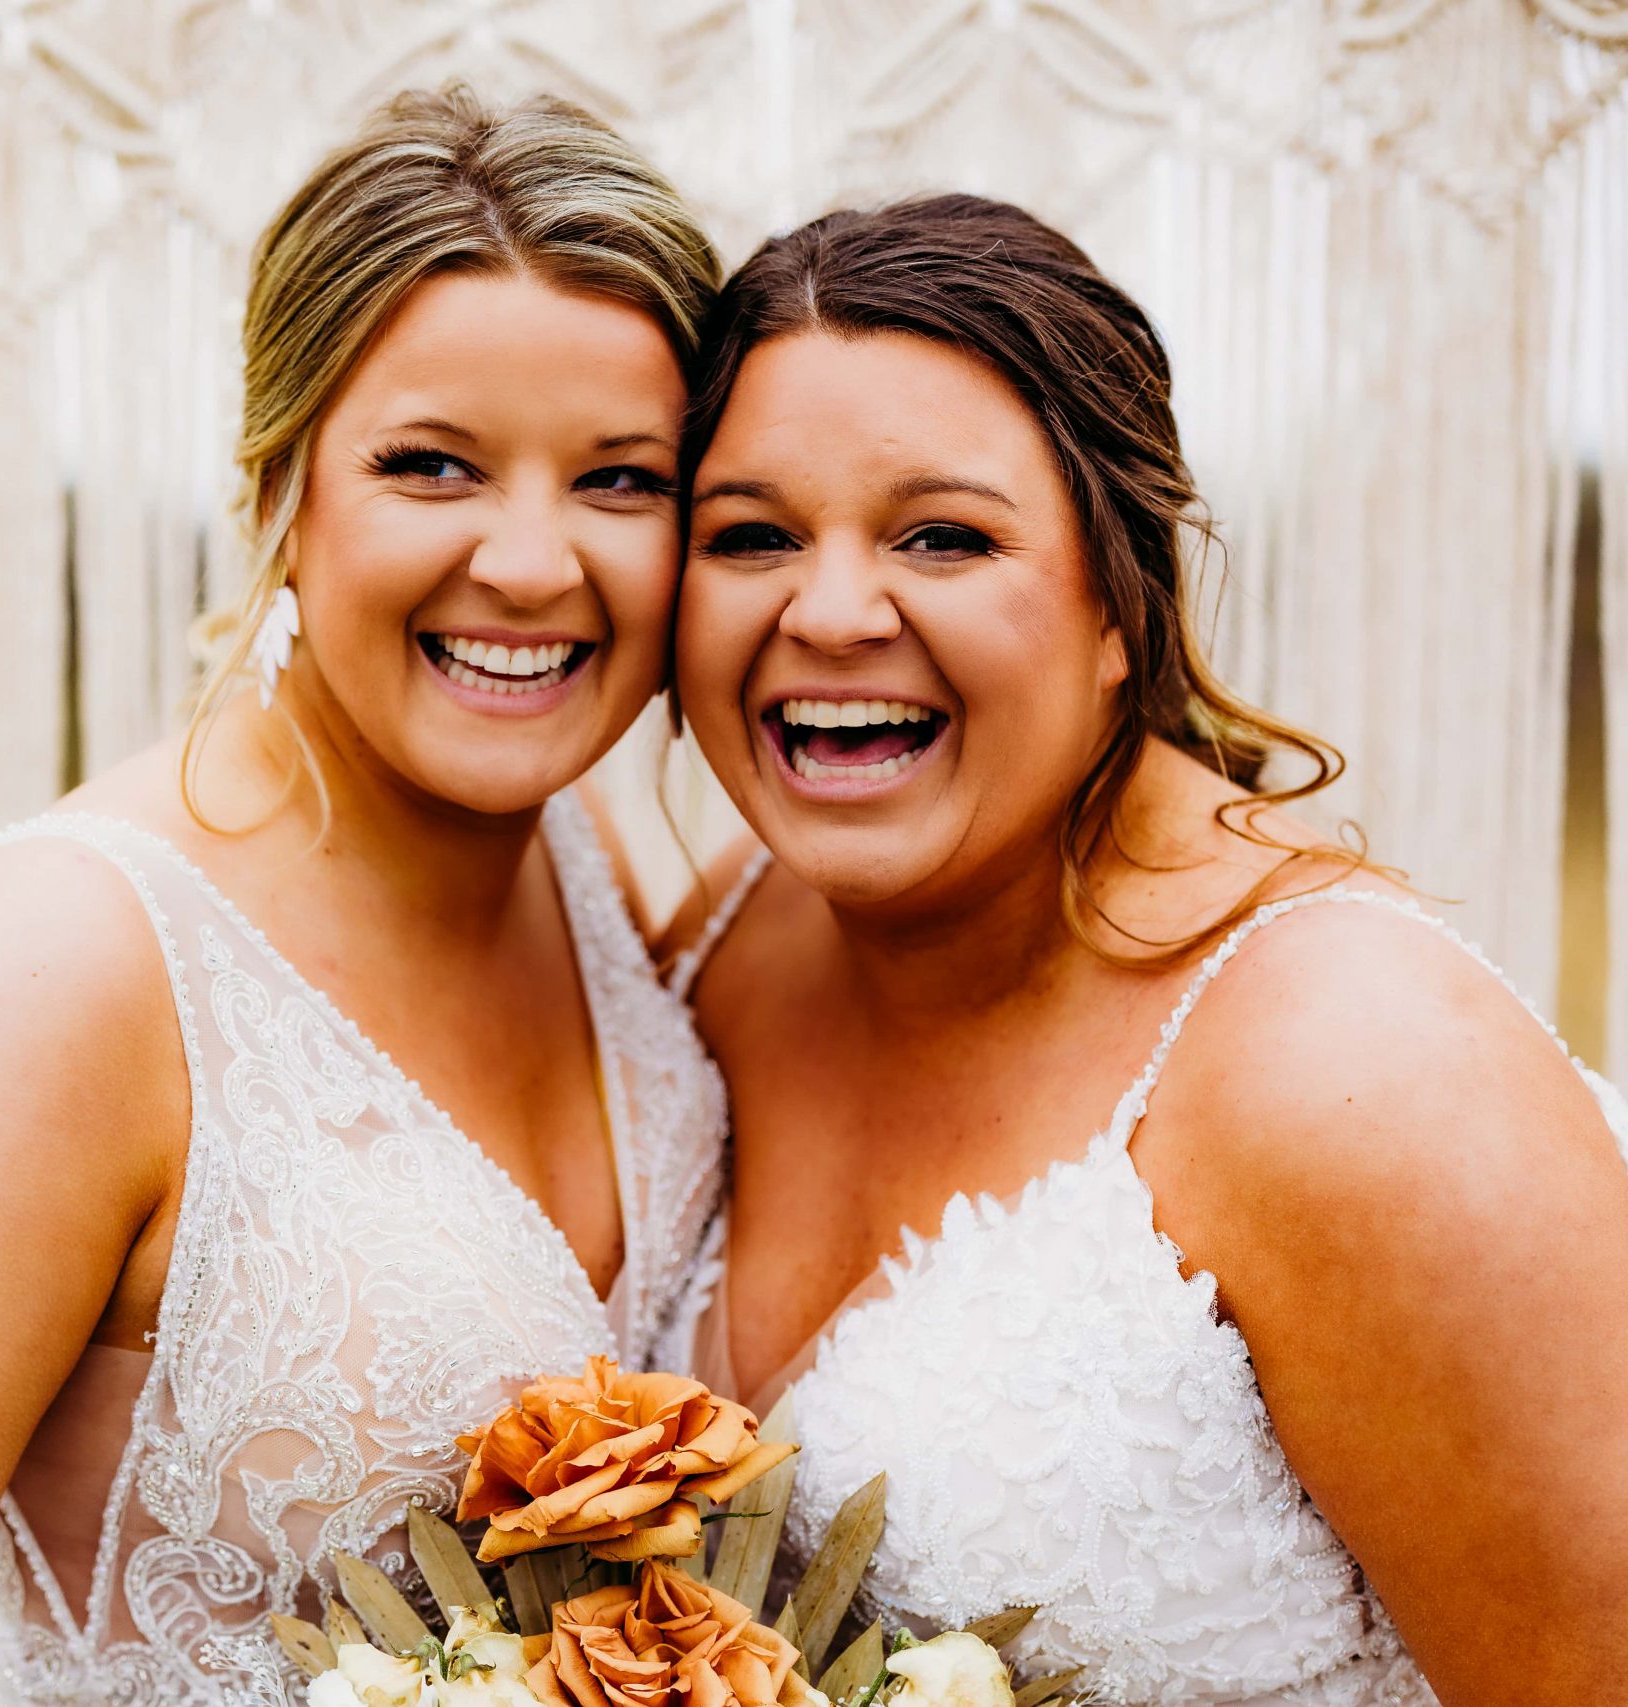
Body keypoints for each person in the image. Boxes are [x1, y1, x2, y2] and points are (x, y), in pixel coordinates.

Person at [0, 86, 728, 1707]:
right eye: (431, 466)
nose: (531, 561)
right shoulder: (57, 972)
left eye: (620, 480)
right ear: (283, 488)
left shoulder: (598, 877)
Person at [663, 194, 1628, 1706]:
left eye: (944, 535)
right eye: (750, 536)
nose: (833, 610)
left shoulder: (1359, 1067)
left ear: (1124, 598)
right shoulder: (725, 936)